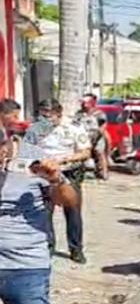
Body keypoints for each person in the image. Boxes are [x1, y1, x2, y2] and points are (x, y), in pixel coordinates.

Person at [0, 136, 80, 304]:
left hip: (25, 261)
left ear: (7, 144)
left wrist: (56, 178)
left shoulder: (35, 160)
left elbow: (69, 201)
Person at [24, 100, 91, 263]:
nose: (45, 119)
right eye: (42, 115)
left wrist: (66, 159)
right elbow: (27, 149)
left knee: (72, 211)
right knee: (44, 211)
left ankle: (76, 249)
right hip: (44, 173)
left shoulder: (74, 127)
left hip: (69, 171)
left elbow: (85, 152)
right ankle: (48, 246)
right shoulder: (36, 128)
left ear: (58, 114)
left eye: (49, 116)